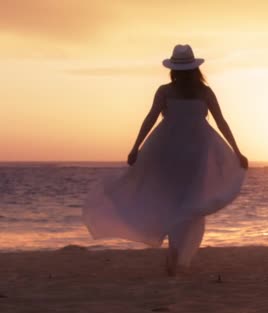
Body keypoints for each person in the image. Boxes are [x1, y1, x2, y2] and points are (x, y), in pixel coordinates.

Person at [83, 44, 248, 276]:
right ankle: (176, 256)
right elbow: (150, 118)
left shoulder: (202, 92)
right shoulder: (169, 92)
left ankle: (177, 256)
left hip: (192, 153)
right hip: (170, 152)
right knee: (182, 204)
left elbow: (221, 121)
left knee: (185, 204)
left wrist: (237, 151)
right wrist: (135, 147)